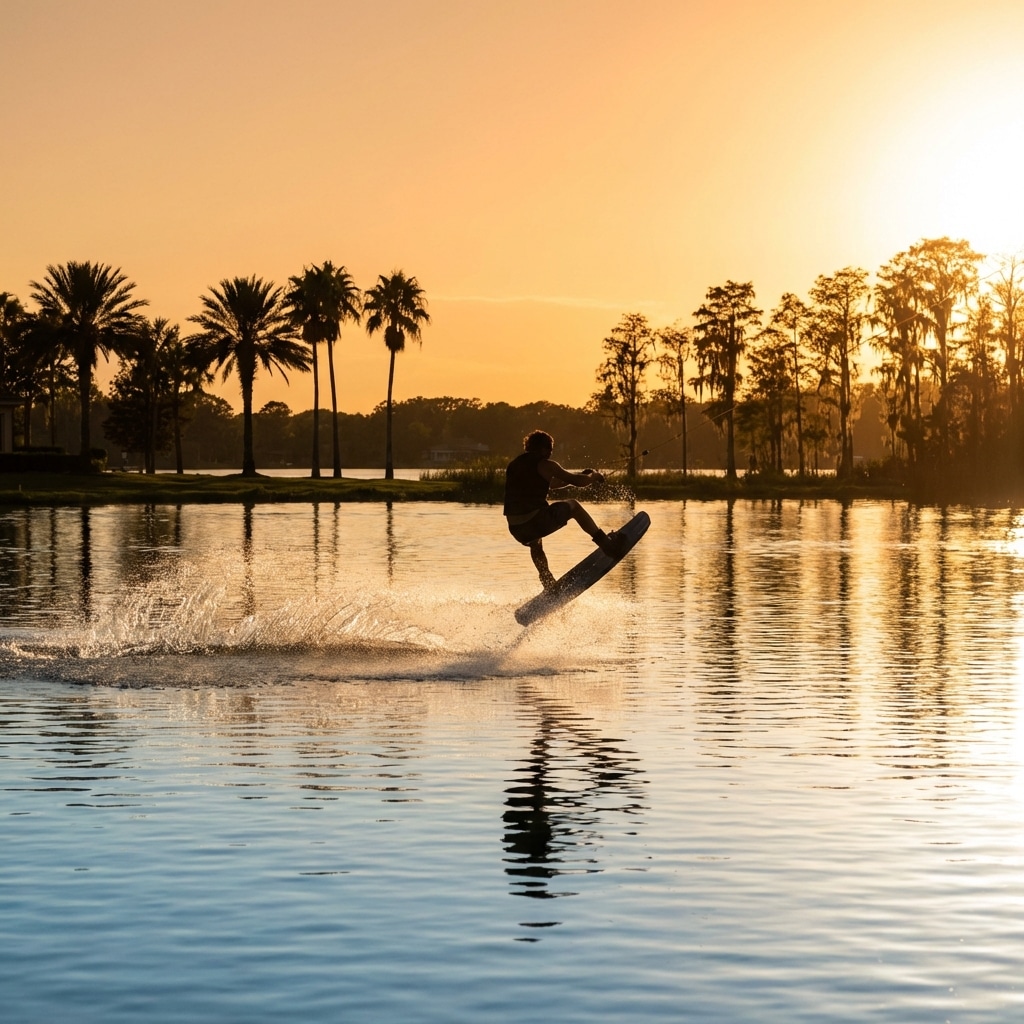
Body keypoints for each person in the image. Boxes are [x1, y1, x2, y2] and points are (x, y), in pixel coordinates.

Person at [503, 430, 627, 590]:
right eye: (549, 449)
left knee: (536, 543)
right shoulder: (545, 464)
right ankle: (607, 545)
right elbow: (577, 482)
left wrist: (580, 475)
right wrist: (593, 477)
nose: (550, 453)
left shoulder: (515, 465)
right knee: (574, 506)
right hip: (535, 522)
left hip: (517, 529)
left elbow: (552, 483)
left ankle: (547, 581)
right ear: (542, 449)